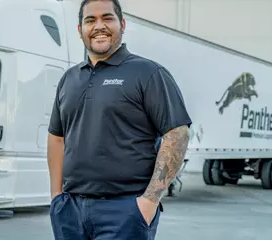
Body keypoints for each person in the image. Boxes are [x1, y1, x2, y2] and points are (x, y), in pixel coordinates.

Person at [47, 0, 192, 239]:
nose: (99, 26)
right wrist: (56, 198)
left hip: (125, 211)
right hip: (70, 211)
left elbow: (177, 134)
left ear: (122, 24)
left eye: (107, 18)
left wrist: (148, 202)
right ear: (80, 30)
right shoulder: (69, 79)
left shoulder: (148, 73)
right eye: (90, 20)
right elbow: (57, 138)